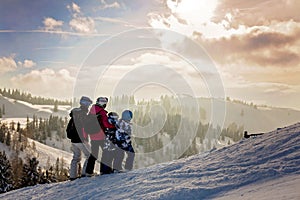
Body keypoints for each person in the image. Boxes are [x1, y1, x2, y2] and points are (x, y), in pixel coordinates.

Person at [85, 97, 116, 176]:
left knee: (94, 154)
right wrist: (114, 126)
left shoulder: (92, 110)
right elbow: (106, 123)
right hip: (101, 136)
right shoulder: (101, 112)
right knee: (106, 153)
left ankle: (88, 172)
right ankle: (105, 170)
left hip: (93, 136)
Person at [67, 96, 93, 181]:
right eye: (88, 104)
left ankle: (72, 176)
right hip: (81, 139)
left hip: (73, 139)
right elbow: (84, 127)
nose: (89, 106)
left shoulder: (75, 114)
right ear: (85, 104)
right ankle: (84, 174)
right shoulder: (82, 114)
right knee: (89, 156)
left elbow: (69, 126)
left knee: (76, 157)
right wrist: (84, 138)